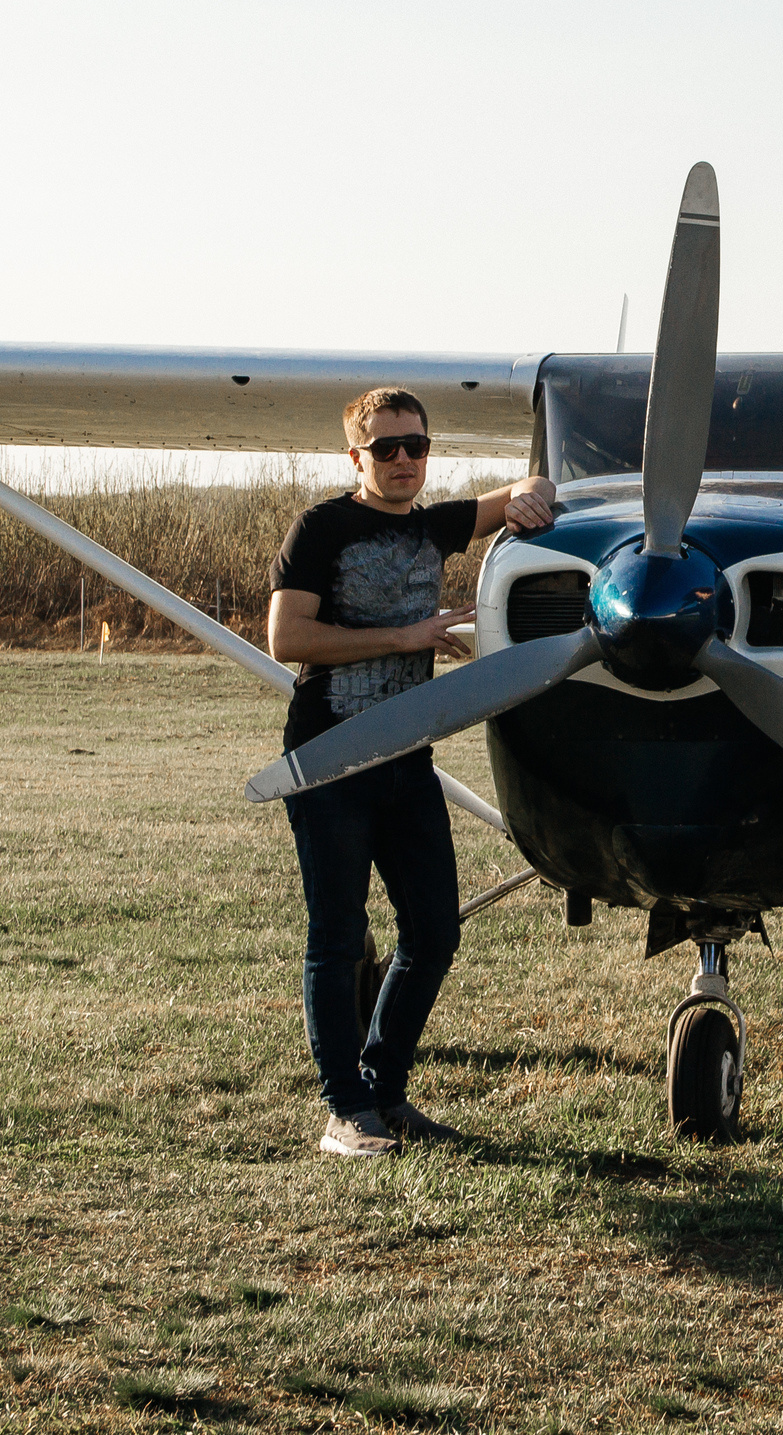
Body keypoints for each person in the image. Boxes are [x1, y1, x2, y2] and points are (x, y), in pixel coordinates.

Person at [266, 387, 556, 1157]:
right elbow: (286, 638)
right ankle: (343, 1110)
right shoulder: (320, 528)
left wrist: (533, 498)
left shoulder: (436, 526)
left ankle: (384, 1091)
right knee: (338, 933)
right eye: (386, 448)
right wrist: (408, 636)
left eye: (416, 447)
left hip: (406, 760)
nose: (403, 461)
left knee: (432, 929)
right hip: (331, 757)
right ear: (354, 456)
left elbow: (530, 489)